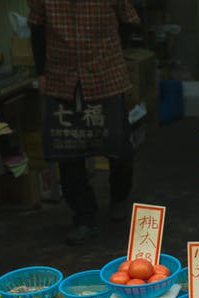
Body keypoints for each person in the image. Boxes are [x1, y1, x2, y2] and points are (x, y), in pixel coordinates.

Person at [29, 0, 139, 245]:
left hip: (105, 75)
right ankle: (84, 216)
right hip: (62, 77)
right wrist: (42, 72)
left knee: (120, 148)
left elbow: (128, 23)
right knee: (67, 153)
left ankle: (119, 196)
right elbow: (36, 28)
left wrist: (110, 53)